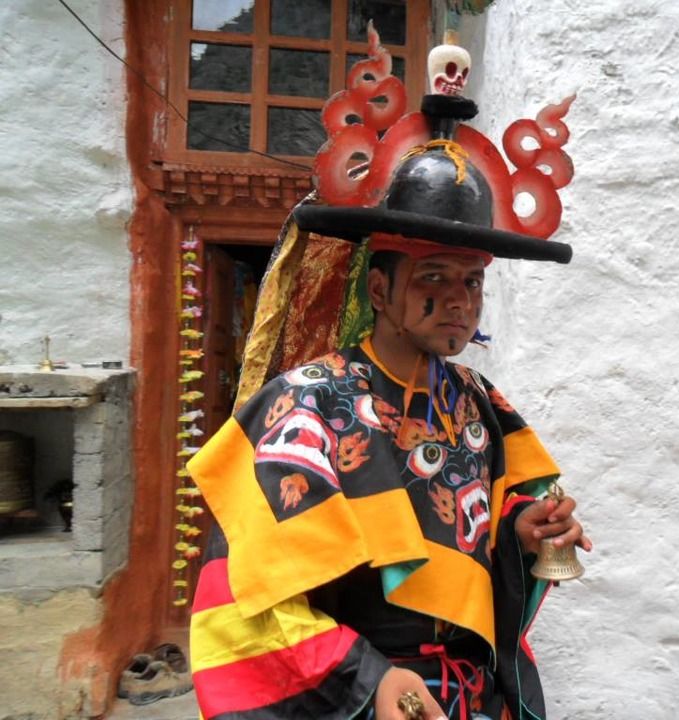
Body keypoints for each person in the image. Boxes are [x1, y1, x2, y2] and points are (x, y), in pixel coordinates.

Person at [187, 36, 588, 720]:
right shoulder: (305, 406)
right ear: (378, 287)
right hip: (366, 693)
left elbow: (487, 531)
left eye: (471, 281)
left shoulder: (480, 405)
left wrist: (524, 529)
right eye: (433, 279)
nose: (459, 299)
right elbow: (255, 594)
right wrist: (367, 678)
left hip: (473, 699)